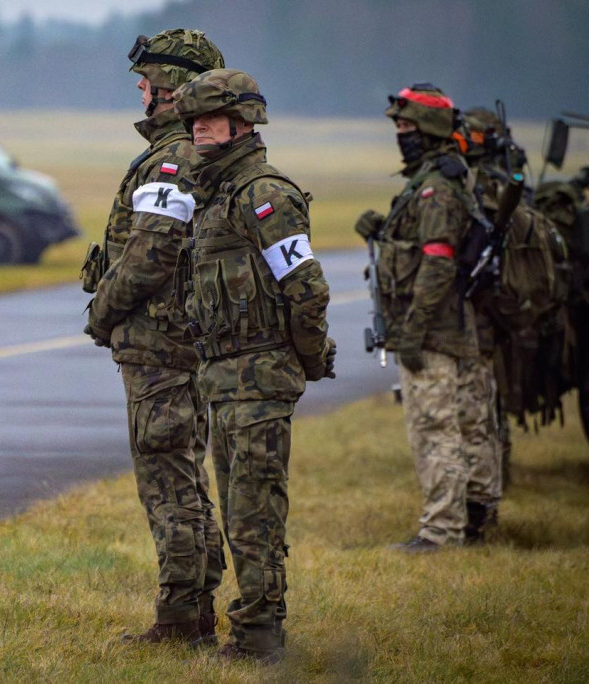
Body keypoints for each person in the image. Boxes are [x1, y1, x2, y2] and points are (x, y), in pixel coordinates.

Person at [170, 68, 335, 663]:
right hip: (224, 380)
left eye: (210, 117)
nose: (199, 128)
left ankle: (261, 636)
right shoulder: (214, 194)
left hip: (260, 380)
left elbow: (306, 290)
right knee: (241, 509)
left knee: (254, 512)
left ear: (244, 122)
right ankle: (253, 628)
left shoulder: (264, 196)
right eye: (193, 119)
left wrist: (310, 359)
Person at [83, 29, 226, 646]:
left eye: (148, 85)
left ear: (170, 90)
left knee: (169, 483)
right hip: (177, 343)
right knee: (186, 477)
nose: (142, 94)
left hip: (160, 347)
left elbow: (150, 253)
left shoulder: (173, 158)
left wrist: (102, 314)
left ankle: (179, 624)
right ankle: (195, 611)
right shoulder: (190, 152)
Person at [355, 84, 491, 552]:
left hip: (433, 329)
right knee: (468, 423)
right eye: (397, 126)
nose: (400, 134)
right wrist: (385, 230)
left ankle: (442, 531)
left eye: (407, 125)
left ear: (430, 127)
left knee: (435, 429)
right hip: (452, 323)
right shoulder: (442, 176)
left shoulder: (435, 186)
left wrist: (411, 330)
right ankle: (476, 514)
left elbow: (437, 261)